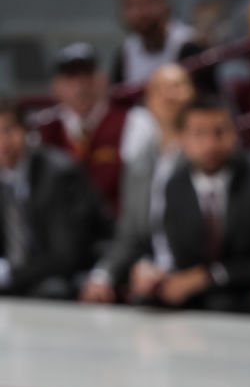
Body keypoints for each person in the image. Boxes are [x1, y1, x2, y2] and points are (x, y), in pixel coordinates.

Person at [140, 95, 250, 311]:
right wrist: (154, 274)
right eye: (199, 134)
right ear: (182, 138)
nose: (211, 144)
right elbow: (180, 257)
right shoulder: (176, 186)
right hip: (196, 302)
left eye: (220, 132)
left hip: (249, 297)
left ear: (235, 133)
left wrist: (209, 276)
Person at [80, 65, 197, 303]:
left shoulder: (206, 159)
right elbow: (129, 235)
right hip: (149, 278)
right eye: (159, 89)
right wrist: (103, 276)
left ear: (193, 94)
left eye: (177, 86)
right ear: (147, 101)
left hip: (193, 277)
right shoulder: (138, 163)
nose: (168, 95)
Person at [0, 101, 106, 299]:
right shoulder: (4, 179)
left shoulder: (58, 174)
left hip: (67, 274)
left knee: (52, 288)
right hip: (21, 278)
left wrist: (10, 274)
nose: (2, 142)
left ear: (27, 131)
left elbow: (67, 255)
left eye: (8, 130)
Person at [34, 44, 129, 222]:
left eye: (87, 75)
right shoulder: (43, 131)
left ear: (102, 80)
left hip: (117, 229)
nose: (80, 86)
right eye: (71, 78)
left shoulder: (130, 123)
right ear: (56, 87)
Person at [110, 0, 200, 87]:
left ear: (164, 2)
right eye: (130, 4)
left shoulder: (191, 47)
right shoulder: (125, 54)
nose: (139, 12)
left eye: (147, 2)